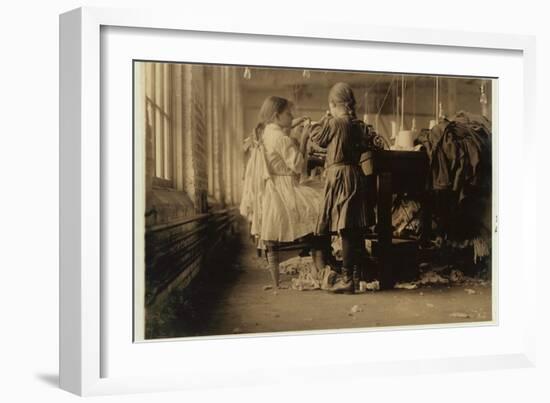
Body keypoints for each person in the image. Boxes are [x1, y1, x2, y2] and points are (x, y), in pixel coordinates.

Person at [243, 96, 329, 289]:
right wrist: (304, 138)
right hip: (285, 191)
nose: (292, 117)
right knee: (323, 204)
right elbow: (298, 166)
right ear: (276, 116)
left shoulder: (264, 133)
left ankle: (312, 265)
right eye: (289, 114)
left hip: (271, 192)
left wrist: (292, 126)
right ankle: (321, 263)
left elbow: (280, 145)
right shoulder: (282, 139)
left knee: (318, 201)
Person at [307, 83, 374, 293]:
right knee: (353, 228)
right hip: (355, 175)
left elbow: (316, 137)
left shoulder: (334, 123)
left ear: (333, 104)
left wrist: (325, 117)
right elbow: (366, 146)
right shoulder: (358, 125)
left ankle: (347, 280)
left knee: (345, 228)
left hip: (340, 176)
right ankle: (354, 277)